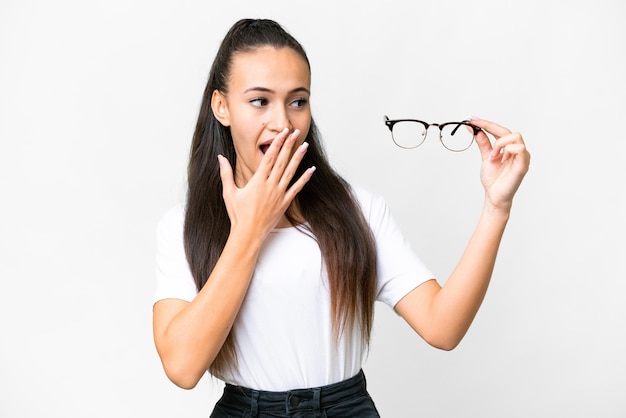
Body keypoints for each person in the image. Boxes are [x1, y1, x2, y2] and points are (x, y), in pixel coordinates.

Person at [152, 18, 530, 417]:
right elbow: (182, 367)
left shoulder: (357, 211)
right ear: (222, 107)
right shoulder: (182, 228)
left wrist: (496, 208)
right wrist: (249, 231)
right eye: (260, 101)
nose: (282, 123)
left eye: (297, 101)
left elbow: (443, 326)